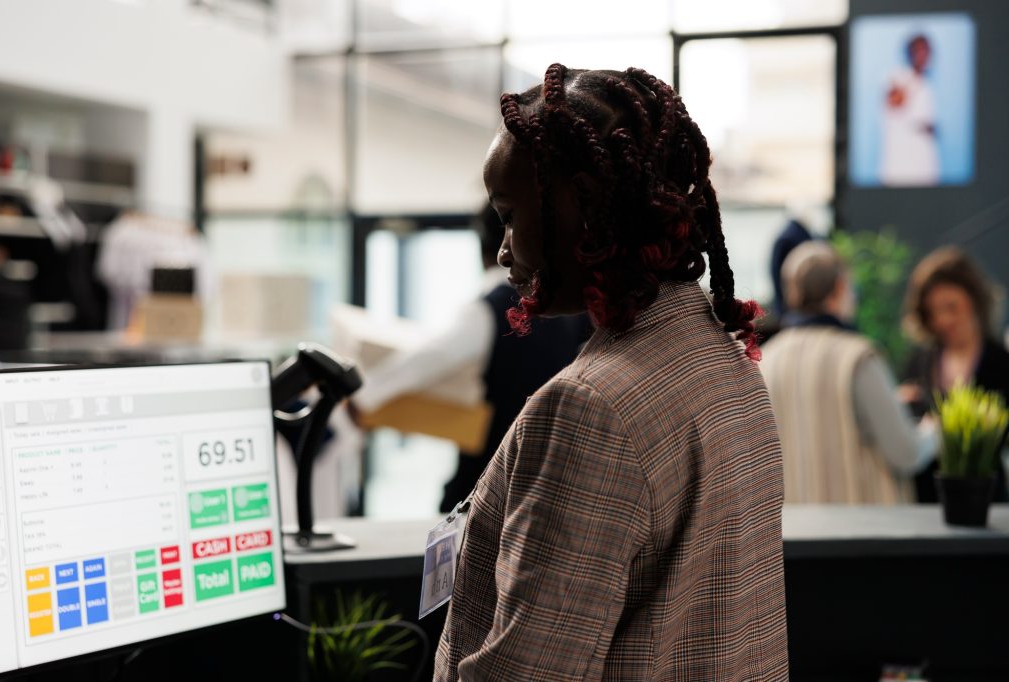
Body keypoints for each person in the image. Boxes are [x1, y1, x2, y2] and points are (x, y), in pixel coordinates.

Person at [435, 64, 788, 680]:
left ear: (583, 204)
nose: (503, 249)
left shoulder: (590, 408)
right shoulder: (725, 360)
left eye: (510, 215)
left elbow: (530, 672)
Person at [350, 205, 589, 512]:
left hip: (491, 475)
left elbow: (432, 357)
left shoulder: (492, 308)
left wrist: (364, 397)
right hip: (551, 475)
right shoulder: (572, 311)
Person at [759, 241, 935, 504]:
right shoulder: (858, 357)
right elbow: (906, 452)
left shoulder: (765, 360)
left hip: (794, 524)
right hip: (859, 524)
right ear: (840, 287)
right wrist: (934, 432)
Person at [901, 246, 1009, 501]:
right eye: (933, 312)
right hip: (926, 499)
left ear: (974, 301)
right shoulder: (919, 362)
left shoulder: (1001, 363)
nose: (943, 320)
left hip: (984, 500)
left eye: (952, 307)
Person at [880, 33, 939, 186]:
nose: (923, 55)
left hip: (923, 161)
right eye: (919, 50)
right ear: (909, 53)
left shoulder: (926, 83)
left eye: (926, 50)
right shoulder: (898, 78)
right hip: (902, 162)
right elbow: (894, 104)